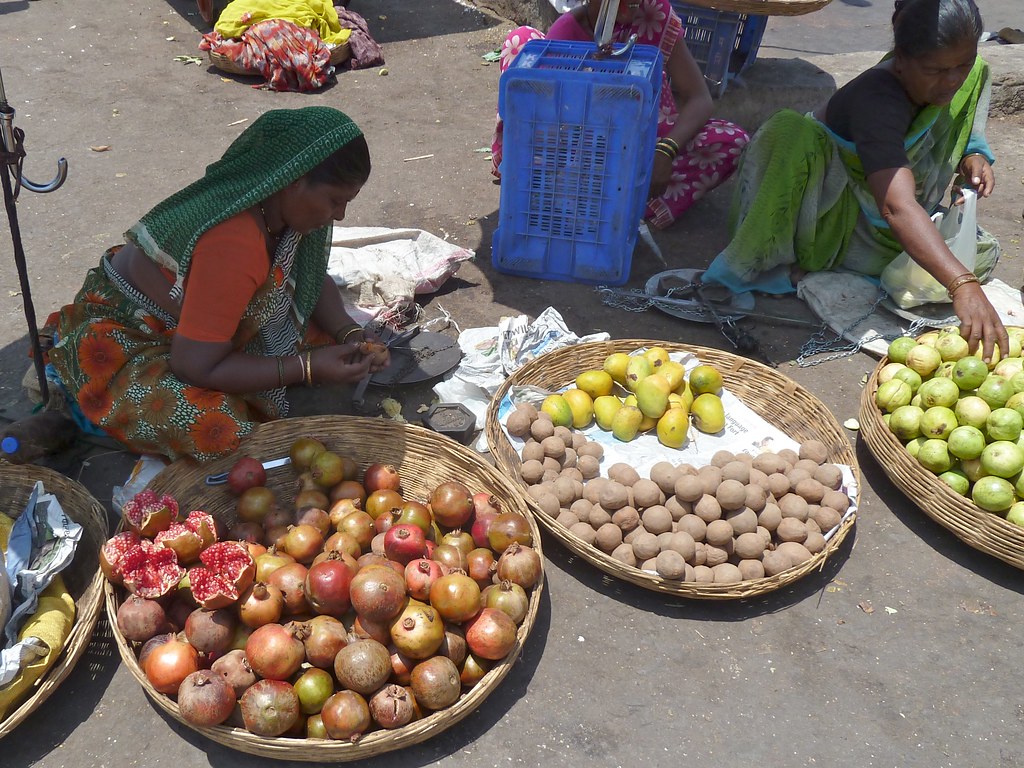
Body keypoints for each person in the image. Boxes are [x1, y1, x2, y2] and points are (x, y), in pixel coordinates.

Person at [48, 107, 387, 462]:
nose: (340, 216)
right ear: (294, 180)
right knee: (214, 426)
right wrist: (306, 368)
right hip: (132, 332)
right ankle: (79, 407)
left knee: (321, 338)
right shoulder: (234, 244)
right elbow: (194, 365)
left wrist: (351, 333)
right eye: (335, 201)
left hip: (203, 320)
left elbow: (309, 279)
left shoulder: (279, 209)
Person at [704, 0, 1008, 360]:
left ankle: (879, 259)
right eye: (935, 70)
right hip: (827, 212)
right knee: (954, 271)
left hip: (895, 209)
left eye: (963, 64)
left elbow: (965, 126)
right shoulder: (877, 98)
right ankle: (795, 263)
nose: (953, 79)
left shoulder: (966, 77)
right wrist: (962, 285)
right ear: (901, 57)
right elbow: (896, 206)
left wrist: (973, 157)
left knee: (979, 250)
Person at [491, 0, 749, 230]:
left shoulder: (653, 14)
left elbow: (699, 98)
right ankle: (534, 178)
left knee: (732, 142)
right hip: (571, 148)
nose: (632, 7)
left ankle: (619, 197)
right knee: (520, 42)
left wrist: (666, 150)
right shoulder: (566, 32)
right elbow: (553, 122)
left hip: (637, 141)